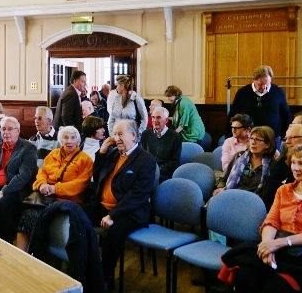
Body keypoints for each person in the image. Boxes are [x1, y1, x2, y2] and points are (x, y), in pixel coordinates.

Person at [232, 143, 302, 293]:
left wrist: (279, 243)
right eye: (294, 163)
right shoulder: (283, 190)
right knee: (245, 277)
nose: (295, 168)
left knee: (275, 287)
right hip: (279, 251)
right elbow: (271, 221)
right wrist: (267, 246)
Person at [83, 119, 156, 289]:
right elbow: (97, 175)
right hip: (103, 205)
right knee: (77, 215)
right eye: (115, 134)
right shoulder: (114, 153)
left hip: (129, 212)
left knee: (113, 232)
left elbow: (137, 195)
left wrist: (112, 215)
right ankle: (84, 265)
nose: (116, 138)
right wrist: (102, 150)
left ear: (133, 135)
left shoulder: (145, 160)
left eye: (120, 134)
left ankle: (104, 278)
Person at [17, 126, 93, 251]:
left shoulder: (85, 160)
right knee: (26, 212)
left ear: (78, 141)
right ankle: (21, 254)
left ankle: (37, 254)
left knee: (36, 215)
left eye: (73, 138)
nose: (69, 141)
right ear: (60, 140)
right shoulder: (53, 154)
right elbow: (42, 172)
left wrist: (54, 189)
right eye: (65, 137)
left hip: (68, 201)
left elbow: (80, 184)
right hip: (45, 197)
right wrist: (42, 185)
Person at [226, 65, 291, 150]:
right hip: (248, 139)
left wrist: (285, 136)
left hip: (272, 139)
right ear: (253, 79)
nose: (264, 87)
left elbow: (286, 115)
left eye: (267, 84)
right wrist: (229, 138)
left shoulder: (278, 92)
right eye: (260, 84)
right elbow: (233, 116)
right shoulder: (242, 93)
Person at [214, 126, 277, 202]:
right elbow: (224, 178)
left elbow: (270, 195)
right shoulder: (239, 156)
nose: (253, 142)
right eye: (251, 138)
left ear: (267, 144)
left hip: (254, 202)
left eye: (257, 140)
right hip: (231, 197)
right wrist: (220, 187)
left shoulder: (273, 165)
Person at [141, 107, 182, 182]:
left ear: (166, 120)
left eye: (158, 117)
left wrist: (156, 171)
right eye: (153, 117)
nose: (154, 120)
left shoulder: (175, 137)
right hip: (146, 172)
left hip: (164, 174)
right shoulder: (145, 134)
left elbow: (174, 162)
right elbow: (141, 156)